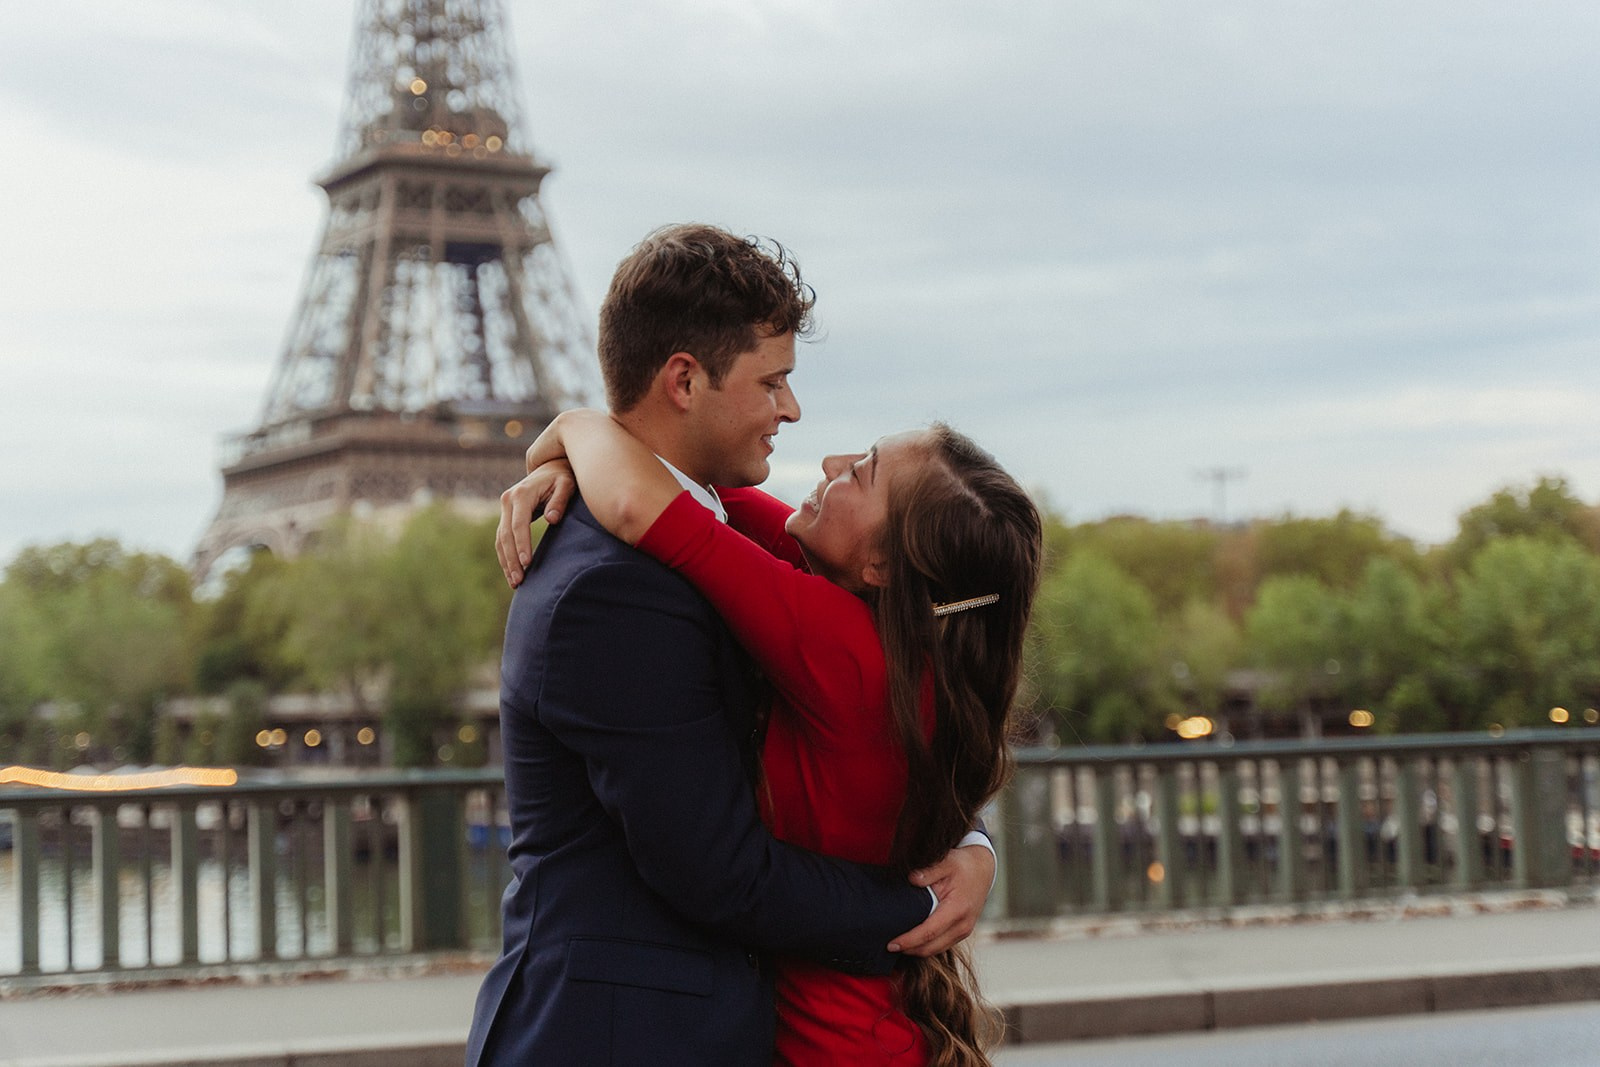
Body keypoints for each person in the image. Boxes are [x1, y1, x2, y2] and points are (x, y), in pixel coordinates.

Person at [464, 224, 997, 1067]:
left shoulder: (712, 539)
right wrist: (915, 906)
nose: (792, 410)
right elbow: (718, 870)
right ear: (684, 379)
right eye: (772, 381)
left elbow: (880, 731)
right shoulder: (615, 584)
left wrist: (971, 842)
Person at [497, 412, 1042, 1066]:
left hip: (824, 1048)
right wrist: (570, 466)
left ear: (882, 564)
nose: (830, 463)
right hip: (873, 1033)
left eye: (861, 471)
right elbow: (690, 485)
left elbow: (638, 499)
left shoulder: (837, 643)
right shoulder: (906, 653)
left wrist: (573, 427)